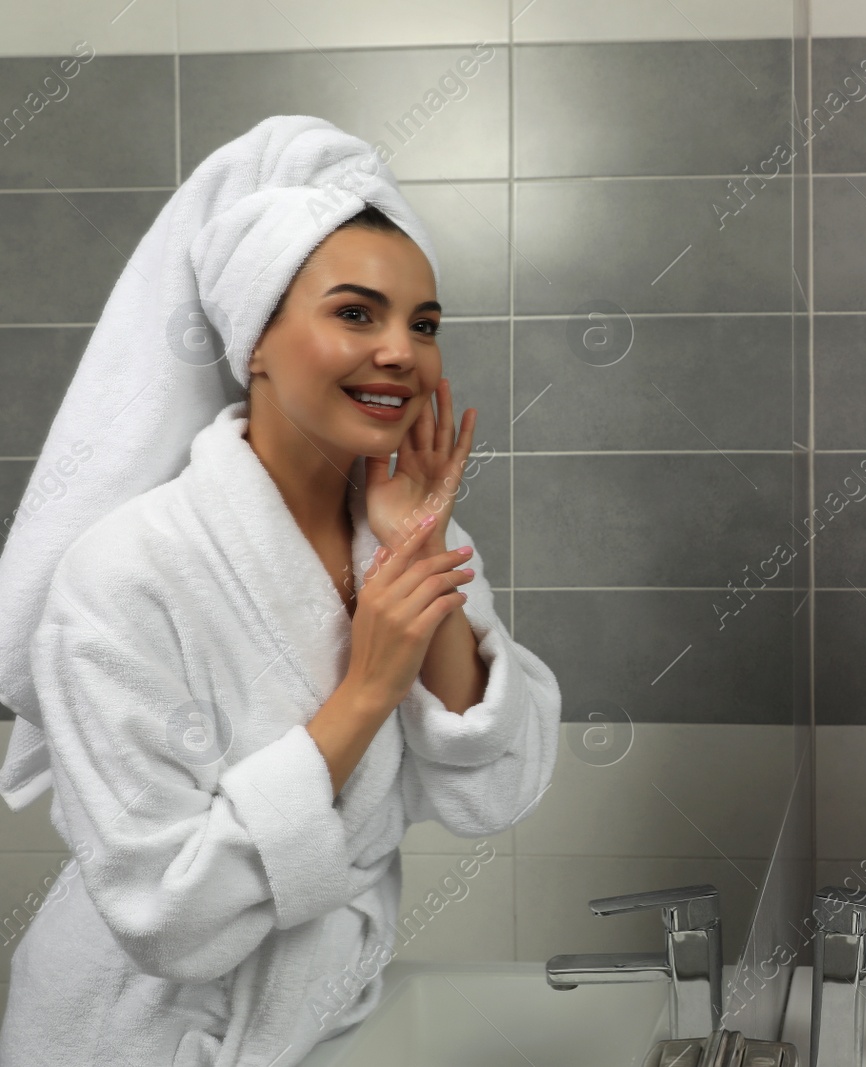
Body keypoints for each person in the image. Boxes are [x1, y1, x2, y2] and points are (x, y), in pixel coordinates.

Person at [0, 116, 560, 1067]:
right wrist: (368, 688)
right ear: (253, 337)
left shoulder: (409, 528)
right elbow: (167, 916)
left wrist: (417, 552)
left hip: (317, 1013)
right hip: (134, 1035)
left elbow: (491, 792)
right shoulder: (125, 571)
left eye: (423, 324)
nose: (401, 352)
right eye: (356, 313)